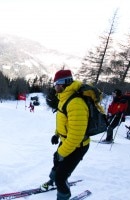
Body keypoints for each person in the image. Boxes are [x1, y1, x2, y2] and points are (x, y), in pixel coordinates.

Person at [41, 69, 90, 200]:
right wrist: (57, 134)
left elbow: (76, 136)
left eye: (56, 83)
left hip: (78, 146)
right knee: (56, 160)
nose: (54, 87)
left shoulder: (76, 103)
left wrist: (62, 152)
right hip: (67, 141)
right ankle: (52, 183)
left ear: (63, 83)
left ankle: (62, 194)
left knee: (61, 178)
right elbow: (64, 121)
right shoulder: (64, 98)